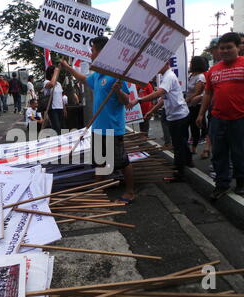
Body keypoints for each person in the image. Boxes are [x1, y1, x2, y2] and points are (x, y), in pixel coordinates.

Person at [61, 36, 135, 204]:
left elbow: (127, 102)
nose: (91, 53)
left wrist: (118, 91)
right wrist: (67, 67)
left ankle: (130, 192)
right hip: (98, 128)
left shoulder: (116, 74)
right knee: (100, 161)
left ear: (102, 52)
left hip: (112, 128)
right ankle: (98, 188)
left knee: (122, 162)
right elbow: (83, 79)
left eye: (93, 50)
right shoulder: (99, 74)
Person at [196, 32, 244, 199]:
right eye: (221, 48)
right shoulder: (213, 70)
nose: (224, 51)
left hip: (240, 117)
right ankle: (222, 184)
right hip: (217, 118)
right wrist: (201, 114)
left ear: (238, 47)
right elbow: (208, 94)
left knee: (239, 152)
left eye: (228, 47)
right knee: (219, 153)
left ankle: (241, 181)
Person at [129, 60, 192, 183]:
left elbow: (159, 93)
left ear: (167, 63)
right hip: (178, 115)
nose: (155, 67)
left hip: (178, 116)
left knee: (178, 146)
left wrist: (139, 99)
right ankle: (188, 161)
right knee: (182, 142)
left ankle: (179, 174)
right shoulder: (166, 76)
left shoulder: (168, 76)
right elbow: (163, 99)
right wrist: (152, 111)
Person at [185, 56, 208, 155]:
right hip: (188, 104)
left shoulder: (200, 77)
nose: (190, 64)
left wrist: (187, 100)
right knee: (187, 125)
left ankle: (194, 147)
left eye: (191, 63)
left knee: (194, 127)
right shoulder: (191, 75)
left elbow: (197, 92)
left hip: (195, 105)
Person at [43, 65, 64, 135]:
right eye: (55, 73)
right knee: (56, 128)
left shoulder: (59, 84)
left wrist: (64, 108)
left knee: (62, 127)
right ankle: (57, 143)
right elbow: (51, 84)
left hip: (60, 108)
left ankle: (60, 141)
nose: (57, 74)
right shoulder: (46, 82)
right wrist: (55, 72)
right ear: (51, 73)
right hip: (52, 108)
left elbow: (61, 97)